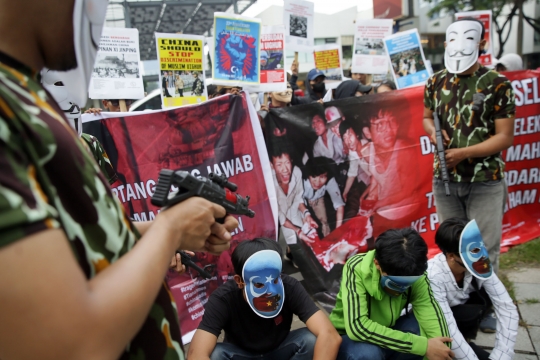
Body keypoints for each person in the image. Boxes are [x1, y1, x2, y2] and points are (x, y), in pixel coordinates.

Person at [0, 1, 237, 359]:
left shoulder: (24, 96)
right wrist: (168, 230)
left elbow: (81, 238)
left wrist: (175, 227)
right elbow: (70, 342)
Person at [423, 17, 515, 275]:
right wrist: (434, 132)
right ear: (445, 44)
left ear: (482, 43)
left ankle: (487, 302)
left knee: (482, 249)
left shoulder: (497, 83)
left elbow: (504, 137)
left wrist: (463, 153)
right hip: (445, 180)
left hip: (485, 180)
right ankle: (460, 304)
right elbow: (426, 117)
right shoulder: (435, 82)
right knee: (452, 247)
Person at [188, 238, 342, 359]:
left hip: (281, 350)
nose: (270, 292)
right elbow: (196, 355)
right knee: (216, 354)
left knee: (311, 340)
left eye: (275, 280)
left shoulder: (289, 286)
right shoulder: (223, 298)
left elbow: (329, 335)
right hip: (240, 355)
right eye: (260, 284)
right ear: (239, 281)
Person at [330, 228, 454, 360]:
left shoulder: (416, 271)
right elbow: (358, 327)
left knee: (420, 330)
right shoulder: (356, 267)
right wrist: (422, 346)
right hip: (347, 339)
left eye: (408, 284)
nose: (401, 289)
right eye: (395, 283)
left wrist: (440, 352)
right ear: (377, 264)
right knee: (368, 353)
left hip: (387, 333)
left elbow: (432, 316)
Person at [428, 218, 519, 360]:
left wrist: (502, 355)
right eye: (473, 251)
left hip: (457, 316)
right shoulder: (433, 276)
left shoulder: (478, 263)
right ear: (451, 256)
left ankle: (467, 342)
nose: (481, 255)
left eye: (480, 246)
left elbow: (506, 307)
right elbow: (447, 327)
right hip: (433, 326)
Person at [271, 146, 318, 246]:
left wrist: (306, 214)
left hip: (294, 214)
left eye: (287, 162)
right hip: (278, 226)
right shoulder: (269, 183)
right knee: (289, 248)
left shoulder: (296, 172)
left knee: (309, 242)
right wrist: (297, 231)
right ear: (272, 166)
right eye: (279, 165)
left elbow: (298, 199)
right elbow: (280, 216)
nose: (285, 169)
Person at [302, 157, 345, 238]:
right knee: (307, 226)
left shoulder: (330, 180)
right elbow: (298, 202)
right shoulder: (302, 180)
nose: (317, 182)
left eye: (322, 177)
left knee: (324, 222)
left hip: (319, 199)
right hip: (302, 202)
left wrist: (338, 231)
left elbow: (339, 205)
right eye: (314, 177)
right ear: (308, 175)